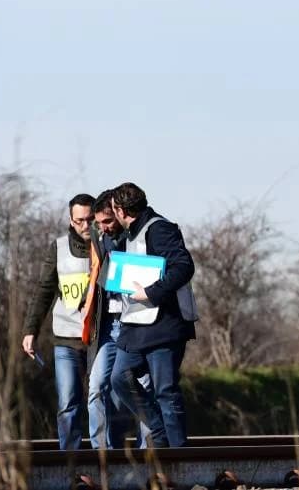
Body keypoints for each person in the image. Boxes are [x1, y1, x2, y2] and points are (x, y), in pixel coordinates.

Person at [109, 182, 198, 448]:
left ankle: (178, 456)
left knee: (165, 392)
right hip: (136, 326)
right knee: (119, 377)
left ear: (121, 211)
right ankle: (159, 432)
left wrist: (151, 292)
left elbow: (184, 266)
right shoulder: (128, 235)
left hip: (165, 325)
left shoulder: (160, 229)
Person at [22, 194, 96, 451]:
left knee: (102, 399)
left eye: (90, 219)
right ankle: (69, 460)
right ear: (71, 220)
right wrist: (30, 330)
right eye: (79, 221)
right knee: (67, 402)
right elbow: (44, 290)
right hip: (66, 339)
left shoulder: (109, 245)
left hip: (99, 338)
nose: (85, 225)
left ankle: (106, 456)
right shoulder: (59, 248)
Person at [82, 189, 152, 449]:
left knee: (142, 385)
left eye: (108, 221)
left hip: (136, 323)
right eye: (99, 223)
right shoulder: (98, 236)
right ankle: (100, 451)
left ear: (120, 214)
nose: (103, 227)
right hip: (109, 325)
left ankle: (148, 447)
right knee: (96, 386)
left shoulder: (138, 236)